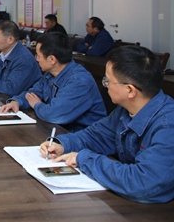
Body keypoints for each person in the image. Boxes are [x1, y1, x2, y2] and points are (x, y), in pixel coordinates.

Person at [41, 46, 174, 204]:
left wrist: (85, 159)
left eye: (108, 81)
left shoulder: (167, 126)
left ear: (130, 90)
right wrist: (63, 144)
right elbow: (97, 135)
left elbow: (142, 182)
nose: (106, 86)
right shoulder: (126, 109)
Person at [0, 33, 106, 132]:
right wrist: (16, 102)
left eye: (38, 56)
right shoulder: (51, 74)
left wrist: (36, 104)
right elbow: (32, 94)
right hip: (58, 130)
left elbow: (53, 115)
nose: (37, 59)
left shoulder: (79, 81)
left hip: (81, 137)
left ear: (52, 59)